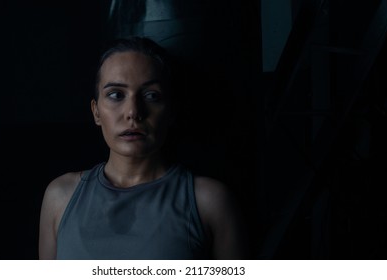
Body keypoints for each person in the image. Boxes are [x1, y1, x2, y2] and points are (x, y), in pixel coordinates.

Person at [38, 36, 247, 259]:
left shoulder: (209, 202)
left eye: (151, 96)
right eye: (116, 95)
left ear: (171, 111)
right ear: (96, 112)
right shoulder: (60, 196)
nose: (133, 112)